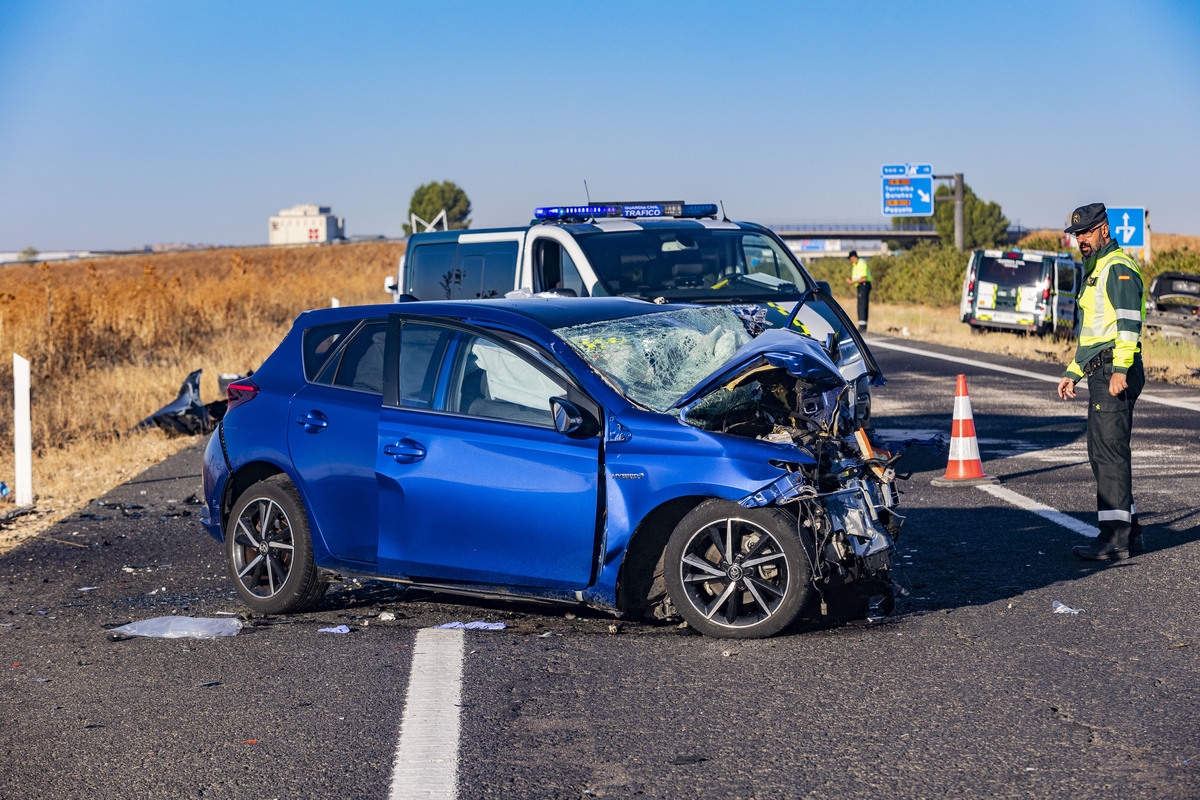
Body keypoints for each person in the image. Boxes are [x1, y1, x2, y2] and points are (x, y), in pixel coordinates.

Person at [1056, 203, 1146, 561]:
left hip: (1114, 370)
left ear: (1105, 230)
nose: (1081, 239)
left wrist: (1122, 369)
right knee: (1103, 451)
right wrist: (1073, 371)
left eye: (1087, 232)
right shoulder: (1096, 269)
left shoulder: (1117, 268)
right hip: (1100, 368)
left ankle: (1114, 539)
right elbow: (1093, 333)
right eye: (1077, 234)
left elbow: (1126, 325)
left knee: (1108, 453)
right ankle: (1131, 533)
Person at [845, 250, 871, 333]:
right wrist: (850, 279)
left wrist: (851, 282)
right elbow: (857, 277)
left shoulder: (861, 263)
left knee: (863, 305)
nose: (850, 260)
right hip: (860, 286)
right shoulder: (855, 265)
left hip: (864, 285)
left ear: (854, 257)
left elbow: (864, 278)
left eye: (851, 258)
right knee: (860, 305)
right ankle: (861, 326)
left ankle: (863, 327)